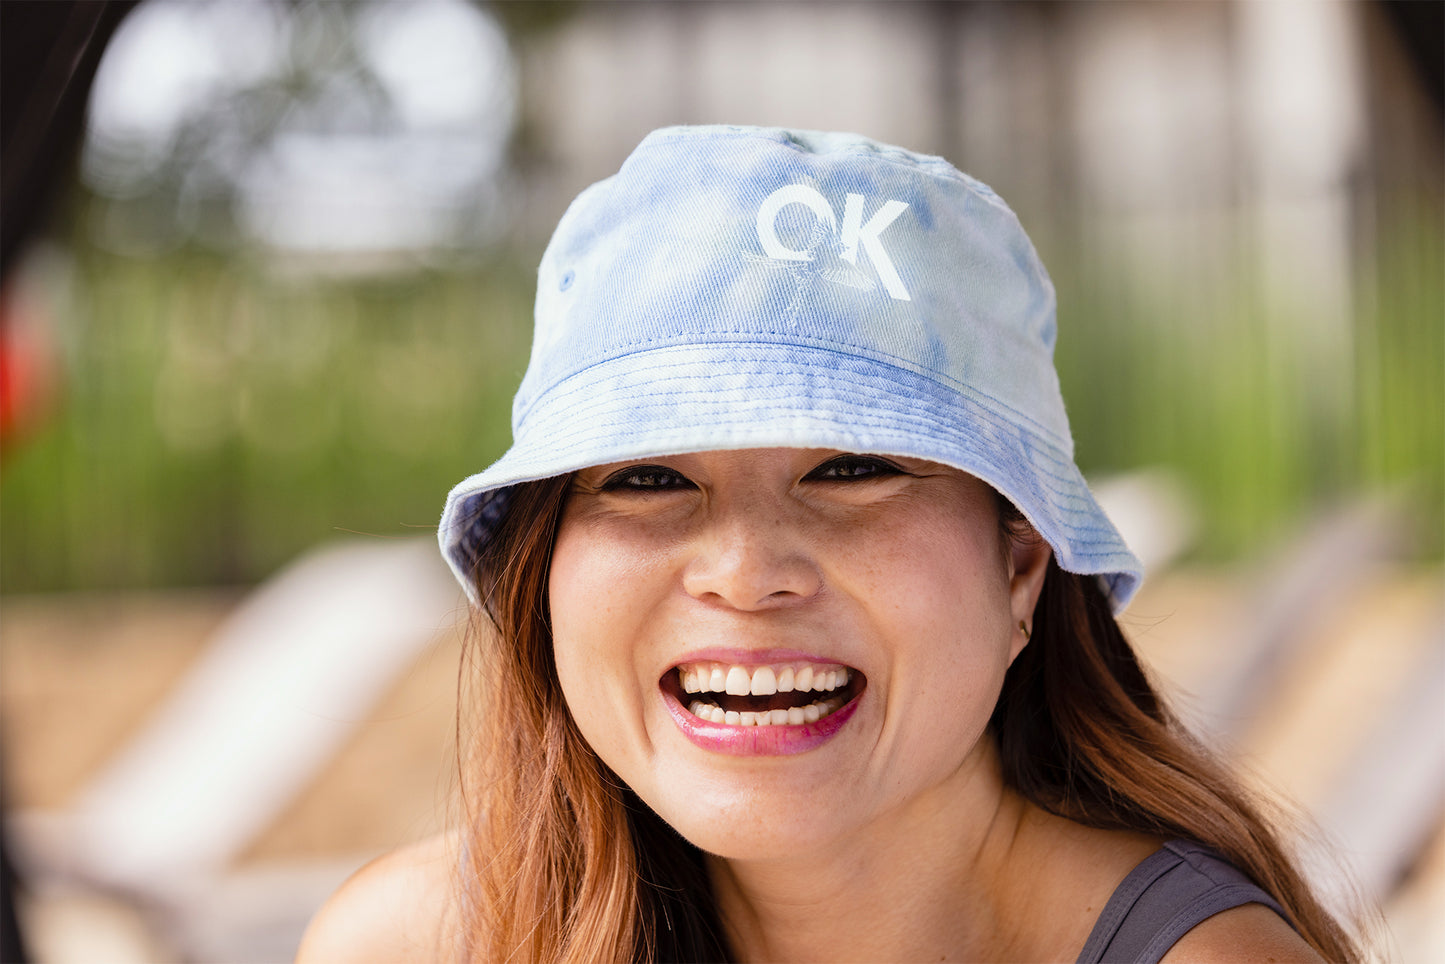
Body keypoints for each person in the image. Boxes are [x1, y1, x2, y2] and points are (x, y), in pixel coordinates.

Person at [298, 126, 1359, 963]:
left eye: (852, 468)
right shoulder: (411, 945)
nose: (746, 571)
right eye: (647, 477)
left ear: (1019, 563)